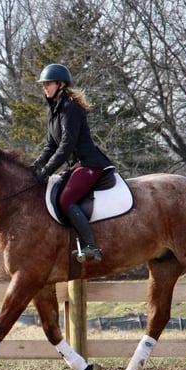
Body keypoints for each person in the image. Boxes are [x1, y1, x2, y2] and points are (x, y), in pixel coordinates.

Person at [31, 63, 115, 261]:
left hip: (89, 164)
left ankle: (91, 246)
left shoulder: (70, 108)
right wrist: (36, 165)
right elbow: (51, 145)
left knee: (66, 200)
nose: (45, 87)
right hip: (75, 166)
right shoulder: (54, 110)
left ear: (61, 84)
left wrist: (47, 171)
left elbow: (66, 146)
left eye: (48, 84)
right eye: (43, 84)